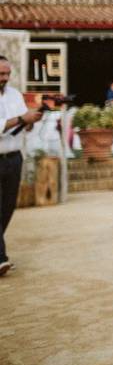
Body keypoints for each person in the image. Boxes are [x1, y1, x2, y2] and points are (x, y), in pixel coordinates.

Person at [0, 55, 44, 276]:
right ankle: (1, 258)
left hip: (14, 157)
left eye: (7, 73)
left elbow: (24, 125)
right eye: (1, 74)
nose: (5, 78)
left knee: (7, 208)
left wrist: (31, 121)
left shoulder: (15, 95)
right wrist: (21, 119)